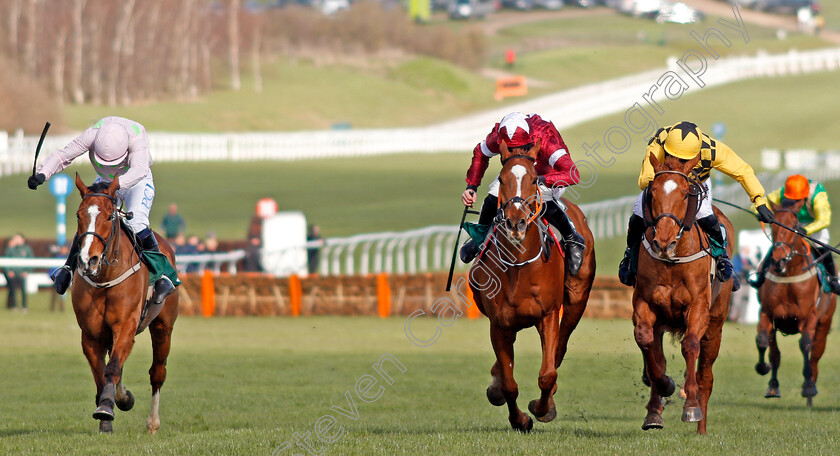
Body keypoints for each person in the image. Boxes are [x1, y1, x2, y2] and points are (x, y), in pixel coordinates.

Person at [27, 116, 178, 306]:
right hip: (107, 182)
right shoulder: (93, 134)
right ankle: (67, 268)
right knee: (91, 220)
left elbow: (139, 169)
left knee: (136, 222)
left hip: (136, 182)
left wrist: (113, 187)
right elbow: (63, 155)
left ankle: (164, 274)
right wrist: (42, 173)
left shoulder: (137, 137)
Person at [617, 121, 774, 288]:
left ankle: (721, 257)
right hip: (663, 184)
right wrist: (670, 189)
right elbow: (645, 179)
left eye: (683, 159)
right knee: (639, 213)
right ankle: (630, 256)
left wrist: (759, 201)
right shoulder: (660, 139)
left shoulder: (713, 150)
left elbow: (743, 171)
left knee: (706, 215)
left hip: (696, 185)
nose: (677, 161)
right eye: (672, 155)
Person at [459, 112, 586, 275]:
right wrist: (472, 186)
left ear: (530, 141)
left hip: (547, 174)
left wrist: (539, 179)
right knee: (492, 196)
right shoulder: (499, 135)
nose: (516, 153)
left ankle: (572, 238)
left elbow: (572, 174)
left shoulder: (545, 138)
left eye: (522, 148)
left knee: (542, 197)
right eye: (510, 150)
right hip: (515, 174)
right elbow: (480, 153)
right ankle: (480, 235)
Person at [748, 174, 840, 294]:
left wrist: (806, 230)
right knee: (779, 245)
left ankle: (833, 280)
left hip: (813, 223)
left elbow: (824, 220)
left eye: (797, 201)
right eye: (790, 200)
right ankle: (761, 277)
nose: (793, 204)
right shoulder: (782, 193)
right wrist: (760, 213)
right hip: (791, 222)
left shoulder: (818, 196)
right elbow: (755, 206)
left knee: (821, 245)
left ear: (805, 197)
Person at [3, 234, 33, 312]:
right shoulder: (11, 249)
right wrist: (9, 271)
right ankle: (14, 306)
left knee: (23, 290)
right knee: (13, 290)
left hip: (22, 273)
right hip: (13, 273)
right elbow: (6, 260)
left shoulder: (26, 249)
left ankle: (24, 306)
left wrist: (27, 271)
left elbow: (31, 260)